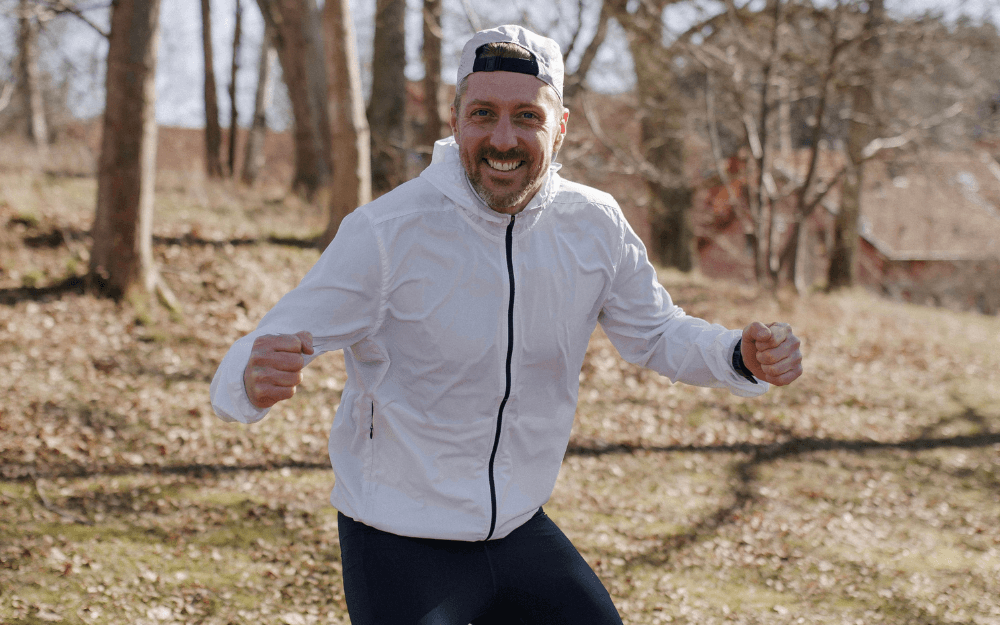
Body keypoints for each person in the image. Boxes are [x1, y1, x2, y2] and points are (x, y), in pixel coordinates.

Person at [211, 24, 803, 625]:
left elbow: (656, 332)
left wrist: (737, 355)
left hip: (520, 530)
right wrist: (248, 379)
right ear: (455, 120)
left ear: (561, 126)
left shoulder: (594, 224)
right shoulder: (386, 234)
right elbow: (264, 344)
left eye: (527, 117)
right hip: (396, 539)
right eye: (483, 113)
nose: (502, 138)